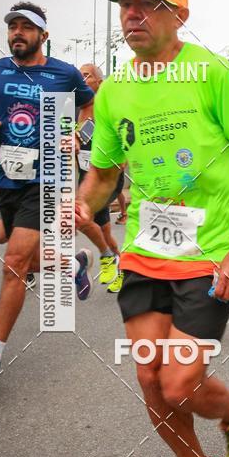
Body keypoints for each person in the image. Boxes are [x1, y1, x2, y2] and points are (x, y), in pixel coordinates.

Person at [76, 0, 229, 457]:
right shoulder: (116, 88)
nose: (132, 15)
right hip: (146, 252)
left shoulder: (211, 74)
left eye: (146, 5)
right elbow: (104, 172)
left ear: (179, 15)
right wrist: (82, 202)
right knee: (150, 376)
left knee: (180, 380)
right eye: (125, 6)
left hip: (209, 252)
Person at [0, 2, 95, 383]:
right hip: (8, 178)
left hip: (48, 179)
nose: (17, 33)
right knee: (2, 237)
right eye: (13, 27)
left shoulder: (65, 73)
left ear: (44, 35)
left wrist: (78, 136)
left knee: (14, 265)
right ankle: (72, 265)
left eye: (27, 27)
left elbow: (91, 106)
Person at [77, 63, 125, 292]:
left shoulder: (110, 105)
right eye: (79, 76)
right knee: (104, 233)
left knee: (81, 217)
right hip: (87, 177)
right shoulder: (81, 108)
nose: (82, 79)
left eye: (86, 76)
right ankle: (121, 266)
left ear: (98, 81)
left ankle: (105, 257)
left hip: (108, 177)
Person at [0, 138, 36, 288]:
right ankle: (73, 264)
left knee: (21, 236)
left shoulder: (36, 128)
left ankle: (26, 271)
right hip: (7, 191)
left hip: (32, 190)